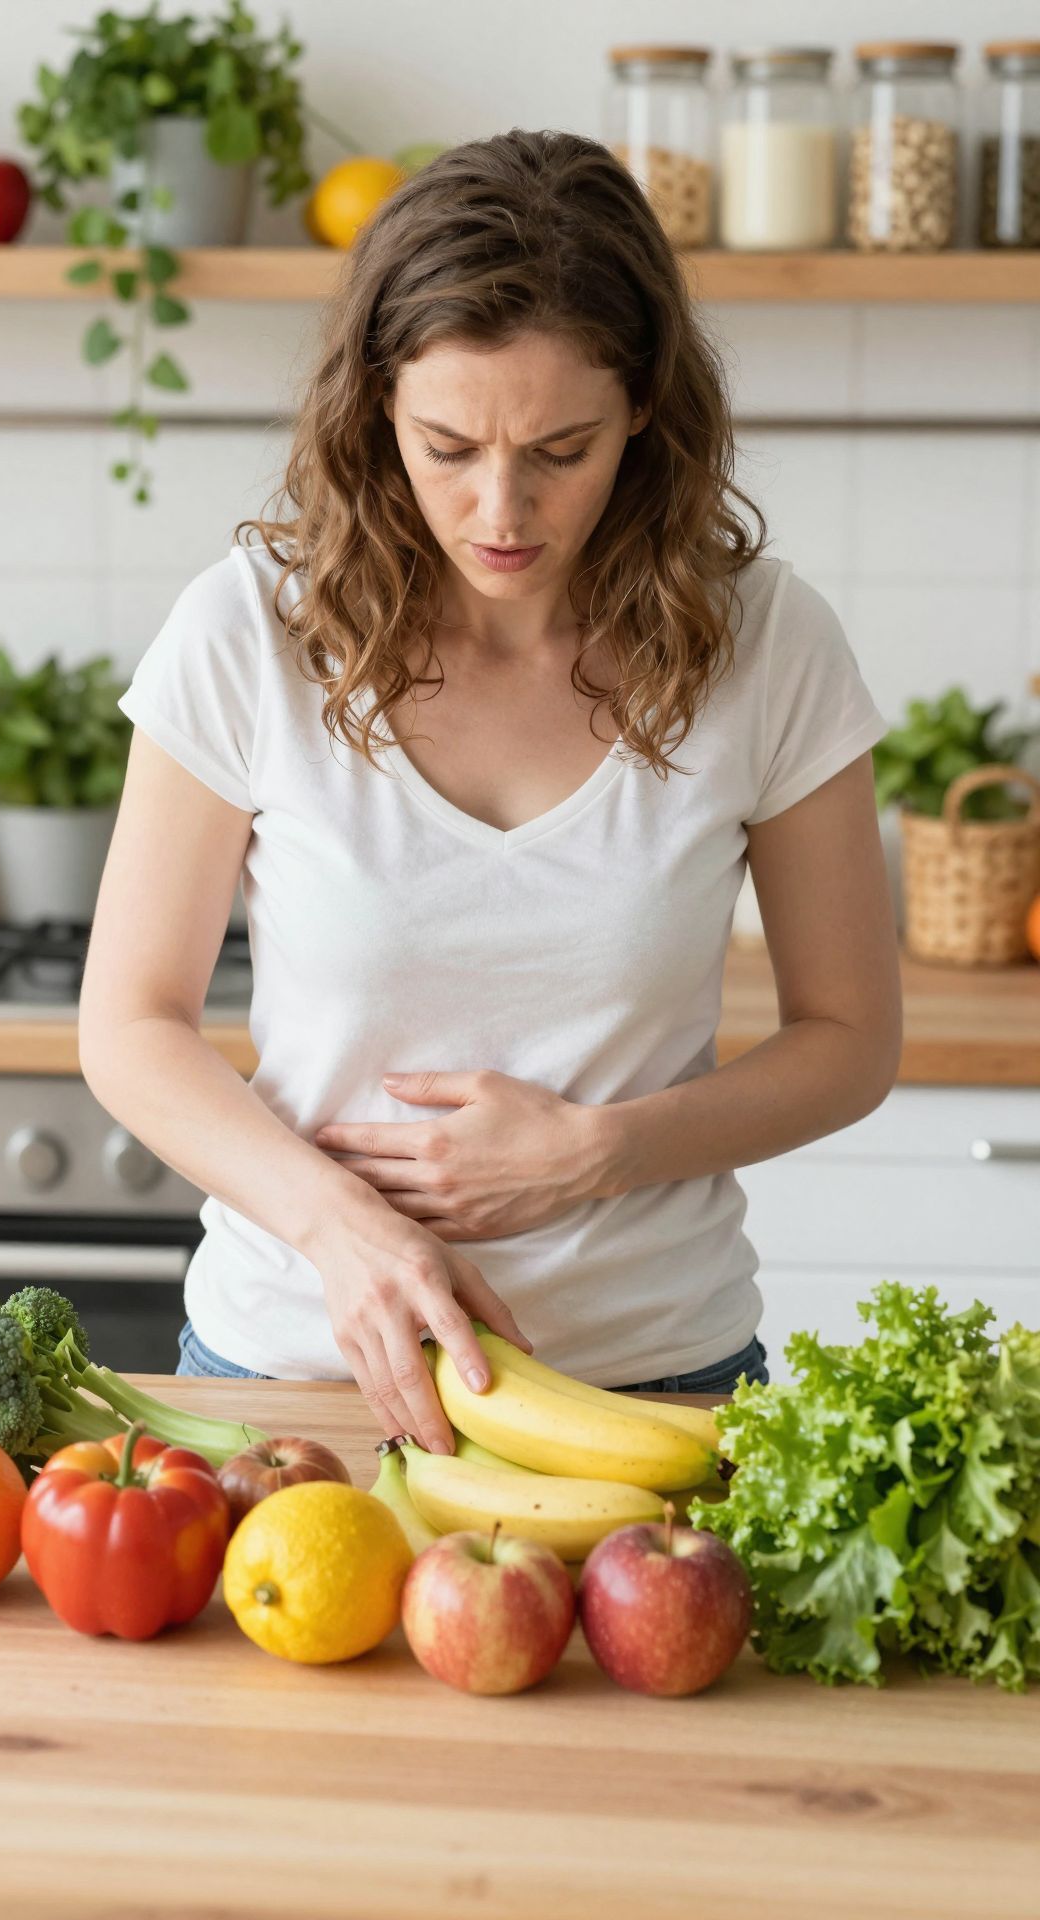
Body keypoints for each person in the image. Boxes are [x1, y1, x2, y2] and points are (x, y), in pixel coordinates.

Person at [78, 128, 901, 1455]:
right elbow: (130, 1024)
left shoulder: (767, 643)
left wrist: (601, 1151)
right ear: (376, 408)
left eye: (562, 449)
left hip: (655, 1386)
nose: (502, 510)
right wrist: (342, 1229)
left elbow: (851, 1038)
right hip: (298, 1373)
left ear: (644, 408)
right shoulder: (249, 634)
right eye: (448, 446)